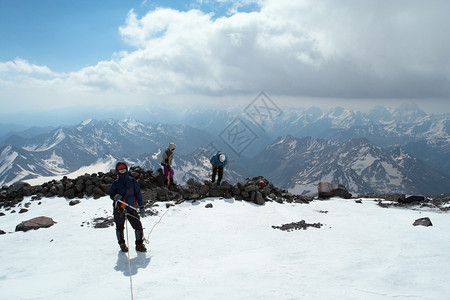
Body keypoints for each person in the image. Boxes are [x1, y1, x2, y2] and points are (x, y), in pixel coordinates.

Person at [110, 161, 147, 252]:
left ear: (126, 169)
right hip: (119, 209)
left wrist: (141, 206)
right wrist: (114, 197)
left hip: (131, 208)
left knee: (138, 226)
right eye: (120, 170)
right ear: (117, 171)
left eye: (124, 169)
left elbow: (138, 194)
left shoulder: (133, 182)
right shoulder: (115, 183)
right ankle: (122, 244)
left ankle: (139, 244)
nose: (122, 171)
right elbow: (111, 195)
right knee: (119, 227)